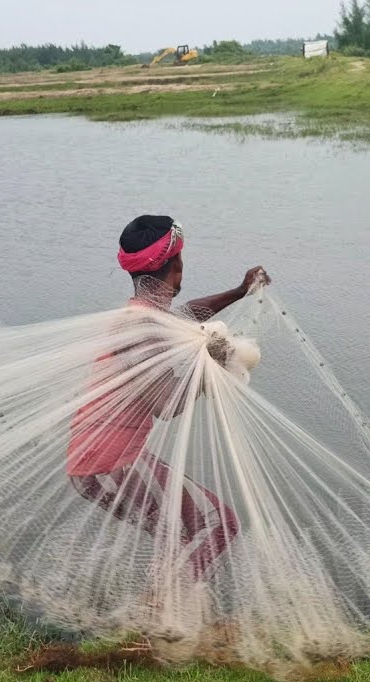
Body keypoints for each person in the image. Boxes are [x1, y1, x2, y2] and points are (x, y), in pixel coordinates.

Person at [66, 215, 268, 584]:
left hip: (104, 458)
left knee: (182, 532)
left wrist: (239, 292)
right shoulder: (139, 327)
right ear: (177, 265)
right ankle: (161, 613)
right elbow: (166, 404)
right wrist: (213, 365)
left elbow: (188, 315)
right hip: (108, 463)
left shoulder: (145, 315)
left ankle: (156, 614)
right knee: (217, 523)